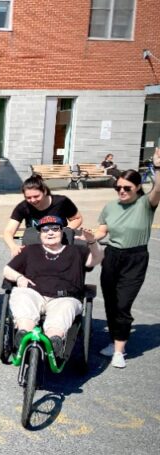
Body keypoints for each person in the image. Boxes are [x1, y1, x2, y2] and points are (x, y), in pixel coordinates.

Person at [94, 152, 160, 368]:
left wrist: (157, 167)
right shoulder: (110, 207)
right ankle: (115, 341)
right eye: (118, 188)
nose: (122, 191)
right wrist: (88, 237)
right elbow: (102, 231)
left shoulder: (145, 204)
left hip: (135, 258)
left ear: (138, 188)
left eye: (127, 188)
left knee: (123, 304)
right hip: (112, 256)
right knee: (112, 303)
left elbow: (158, 189)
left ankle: (119, 352)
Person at [3, 216, 103, 357]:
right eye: (45, 230)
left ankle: (54, 341)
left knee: (64, 310)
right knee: (20, 294)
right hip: (34, 294)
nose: (50, 232)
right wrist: (19, 277)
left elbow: (95, 260)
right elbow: (7, 270)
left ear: (62, 232)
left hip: (64, 298)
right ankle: (24, 335)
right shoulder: (29, 250)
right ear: (40, 234)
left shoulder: (76, 251)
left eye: (55, 229)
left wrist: (92, 242)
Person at [3, 174, 83, 257]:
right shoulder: (23, 207)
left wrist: (65, 230)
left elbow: (77, 218)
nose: (33, 200)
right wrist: (13, 246)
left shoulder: (62, 202)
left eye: (36, 196)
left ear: (44, 191)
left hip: (60, 244)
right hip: (36, 245)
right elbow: (8, 231)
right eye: (28, 197)